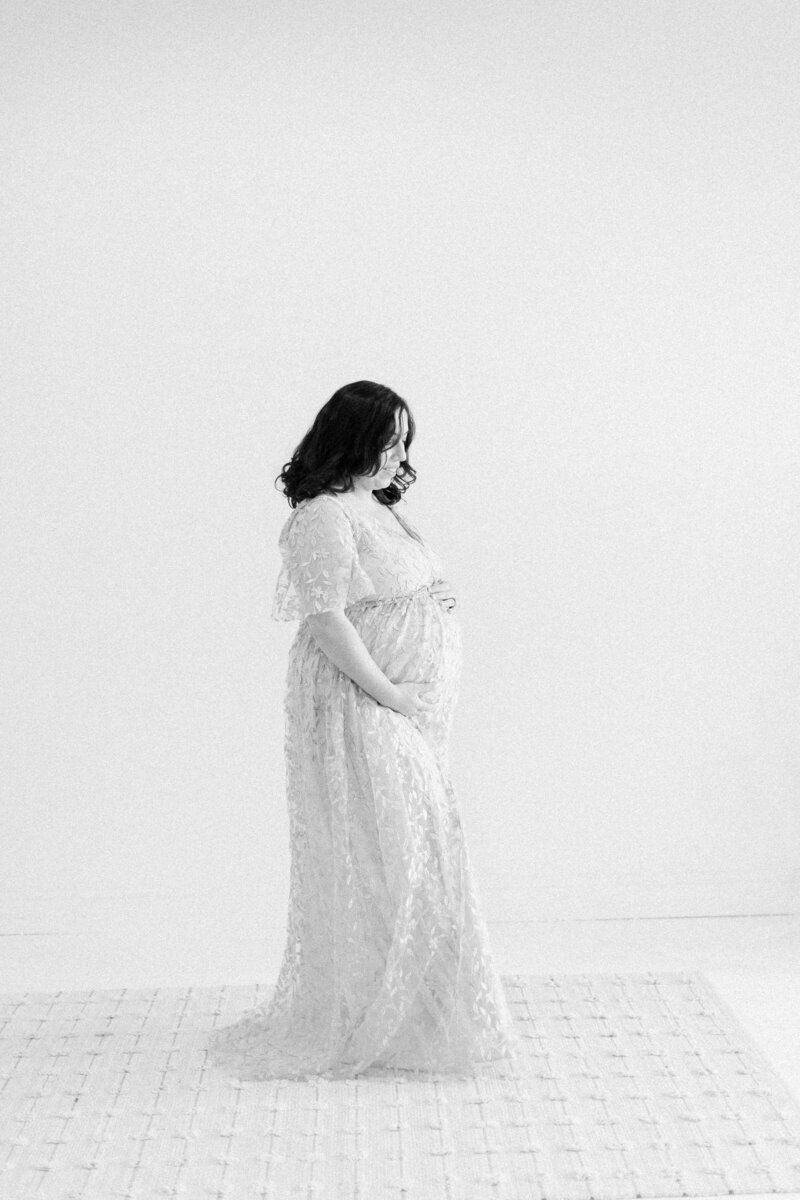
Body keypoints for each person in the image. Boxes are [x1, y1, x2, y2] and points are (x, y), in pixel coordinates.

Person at [207, 381, 522, 1081]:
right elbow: (326, 620)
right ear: (352, 439)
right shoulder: (321, 515)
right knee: (392, 853)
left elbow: (394, 589)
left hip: (402, 705)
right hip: (357, 701)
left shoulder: (380, 508)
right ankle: (377, 1016)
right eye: (389, 442)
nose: (401, 456)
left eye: (406, 442)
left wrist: (438, 599)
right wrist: (393, 696)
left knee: (420, 850)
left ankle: (418, 1018)